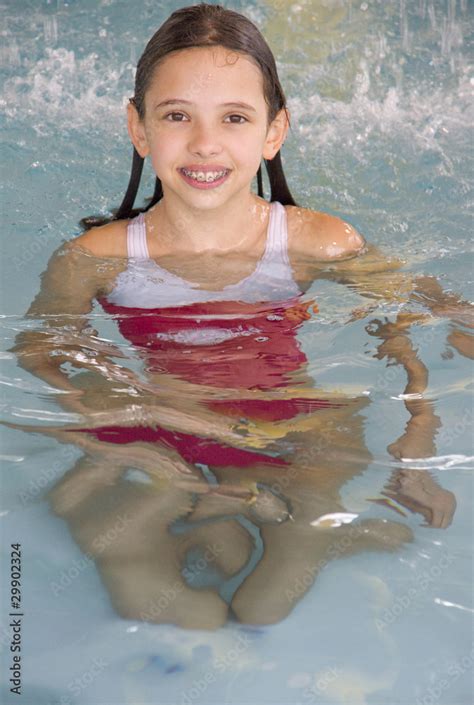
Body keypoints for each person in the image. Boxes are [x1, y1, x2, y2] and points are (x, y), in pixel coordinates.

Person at [13, 4, 469, 628]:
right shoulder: (96, 256)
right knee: (149, 589)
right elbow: (38, 351)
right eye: (177, 116)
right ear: (139, 128)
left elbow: (406, 320)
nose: (205, 144)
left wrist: (415, 446)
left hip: (289, 424)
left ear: (275, 131)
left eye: (234, 118)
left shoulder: (316, 242)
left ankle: (283, 520)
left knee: (262, 609)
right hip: (162, 415)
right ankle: (235, 512)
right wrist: (104, 420)